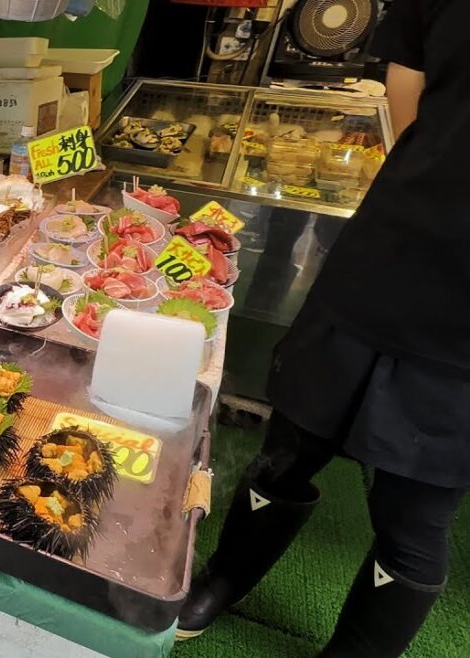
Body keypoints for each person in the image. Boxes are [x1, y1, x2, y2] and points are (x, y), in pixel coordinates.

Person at [178, 1, 468, 656]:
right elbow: (408, 101)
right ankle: (221, 581)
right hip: (387, 252)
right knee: (289, 444)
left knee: (416, 516)